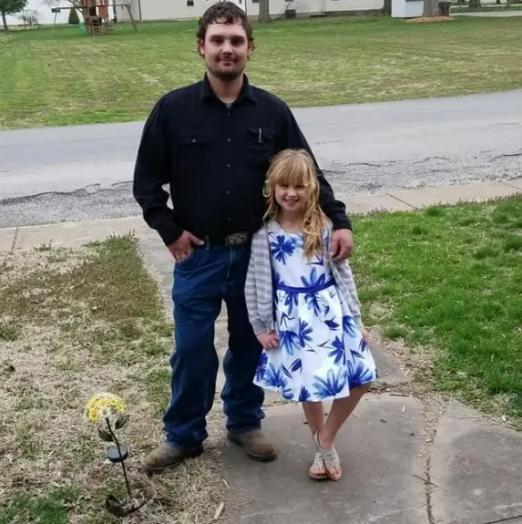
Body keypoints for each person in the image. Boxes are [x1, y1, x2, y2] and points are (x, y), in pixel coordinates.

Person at [133, 1, 354, 473]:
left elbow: (308, 173)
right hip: (199, 256)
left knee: (252, 343)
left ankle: (244, 422)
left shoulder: (272, 112)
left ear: (250, 47)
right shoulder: (173, 110)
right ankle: (184, 435)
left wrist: (340, 221)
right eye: (217, 40)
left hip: (257, 256)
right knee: (191, 348)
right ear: (201, 47)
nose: (226, 49)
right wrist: (170, 231)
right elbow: (146, 183)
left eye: (236, 41)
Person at [245, 149, 377, 481]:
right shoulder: (264, 234)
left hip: (331, 314)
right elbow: (255, 282)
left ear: (312, 188)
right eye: (284, 186)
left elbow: (343, 277)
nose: (291, 193)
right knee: (309, 387)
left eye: (299, 186)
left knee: (363, 375)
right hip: (293, 322)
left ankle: (326, 437)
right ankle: (324, 453)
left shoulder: (324, 227)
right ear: (272, 188)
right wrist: (261, 326)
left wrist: (356, 319)